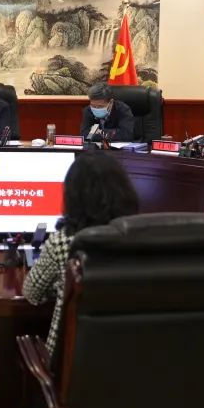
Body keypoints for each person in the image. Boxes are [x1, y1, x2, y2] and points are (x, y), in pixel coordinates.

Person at [23, 151, 139, 359]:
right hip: (129, 362)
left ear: (73, 196)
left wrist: (60, 284)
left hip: (70, 368)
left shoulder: (64, 242)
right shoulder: (139, 239)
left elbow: (32, 294)